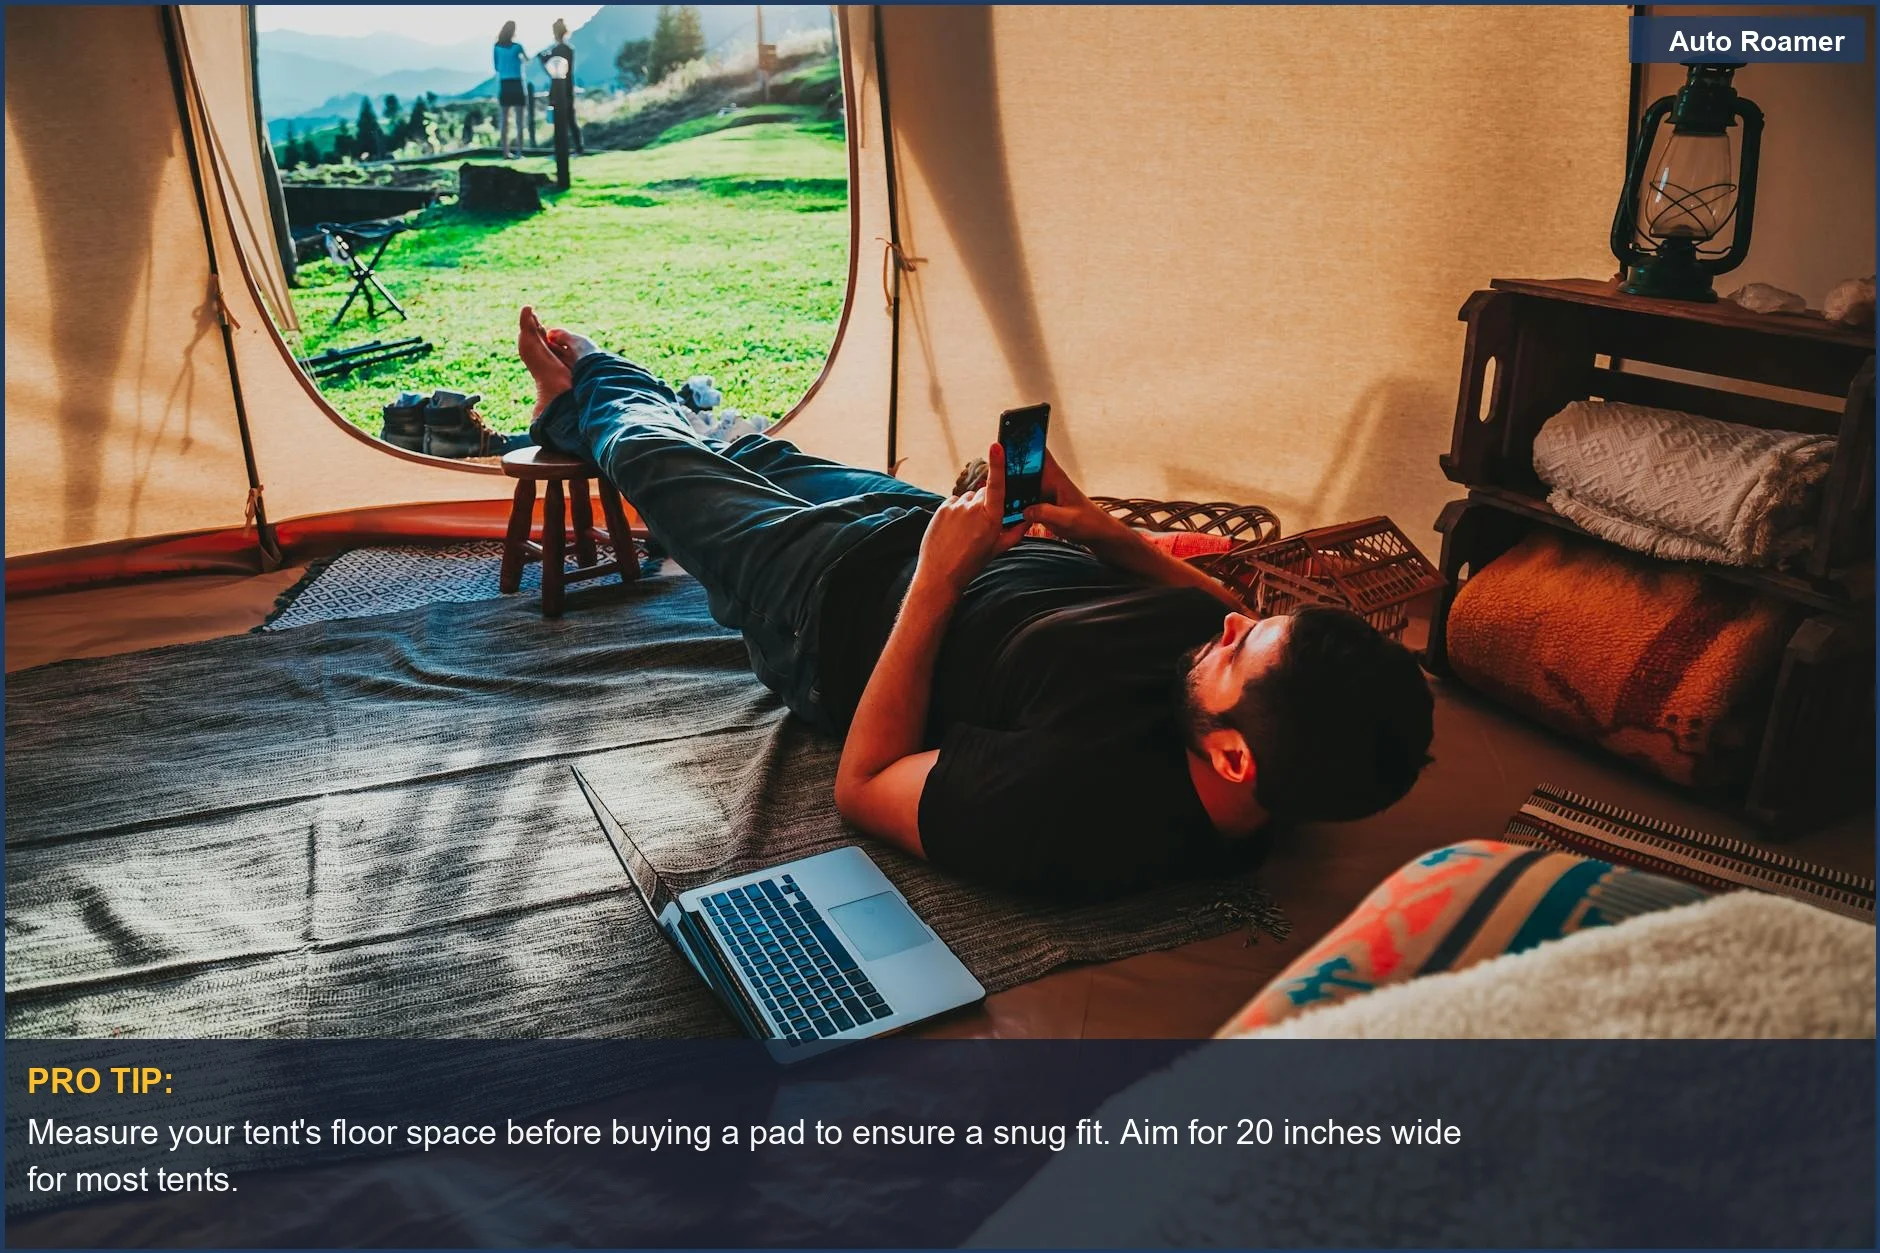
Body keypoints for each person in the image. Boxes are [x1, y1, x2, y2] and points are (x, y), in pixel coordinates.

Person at [517, 308, 1435, 902]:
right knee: (754, 457)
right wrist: (1099, 530)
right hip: (935, 534)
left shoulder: (1072, 810)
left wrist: (939, 578)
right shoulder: (1300, 732)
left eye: (1240, 650)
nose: (1226, 619)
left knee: (652, 461)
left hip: (830, 608)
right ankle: (644, 412)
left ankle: (587, 385)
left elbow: (862, 786)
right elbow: (1218, 602)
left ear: (1232, 759)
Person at [537, 18, 585, 155]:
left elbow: (550, 69)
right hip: (569, 86)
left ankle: (562, 148)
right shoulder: (569, 49)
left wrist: (543, 59)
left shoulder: (557, 50)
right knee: (570, 119)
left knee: (560, 120)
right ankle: (578, 147)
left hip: (558, 88)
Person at [493, 21, 529, 160]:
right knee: (520, 121)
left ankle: (505, 152)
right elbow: (527, 60)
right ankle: (519, 152)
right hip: (517, 84)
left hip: (504, 84)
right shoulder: (518, 47)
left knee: (504, 121)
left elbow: (496, 67)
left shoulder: (496, 47)